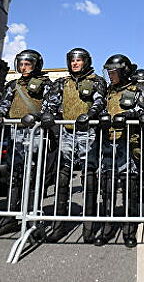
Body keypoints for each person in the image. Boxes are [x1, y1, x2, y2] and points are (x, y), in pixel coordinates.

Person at [41, 48, 107, 243]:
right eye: (72, 60)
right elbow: (51, 103)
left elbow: (100, 101)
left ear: (86, 61)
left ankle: (88, 228)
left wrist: (91, 114)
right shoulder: (62, 82)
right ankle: (58, 225)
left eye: (79, 60)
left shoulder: (97, 81)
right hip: (67, 132)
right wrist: (48, 114)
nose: (75, 63)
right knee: (63, 176)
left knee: (88, 176)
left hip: (88, 132)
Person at [0, 49, 51, 238]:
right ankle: (10, 217)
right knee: (14, 175)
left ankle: (31, 219)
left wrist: (37, 116)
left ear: (35, 65)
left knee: (32, 176)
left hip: (34, 133)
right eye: (21, 64)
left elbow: (50, 106)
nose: (23, 68)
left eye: (27, 64)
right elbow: (4, 104)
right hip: (14, 133)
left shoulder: (46, 84)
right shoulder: (12, 85)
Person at [94, 54, 144, 248]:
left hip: (128, 143)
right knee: (107, 188)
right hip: (108, 143)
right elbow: (100, 106)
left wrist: (127, 115)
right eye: (108, 71)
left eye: (113, 71)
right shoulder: (108, 90)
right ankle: (107, 227)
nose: (110, 75)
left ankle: (129, 229)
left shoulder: (138, 89)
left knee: (130, 189)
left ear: (124, 71)